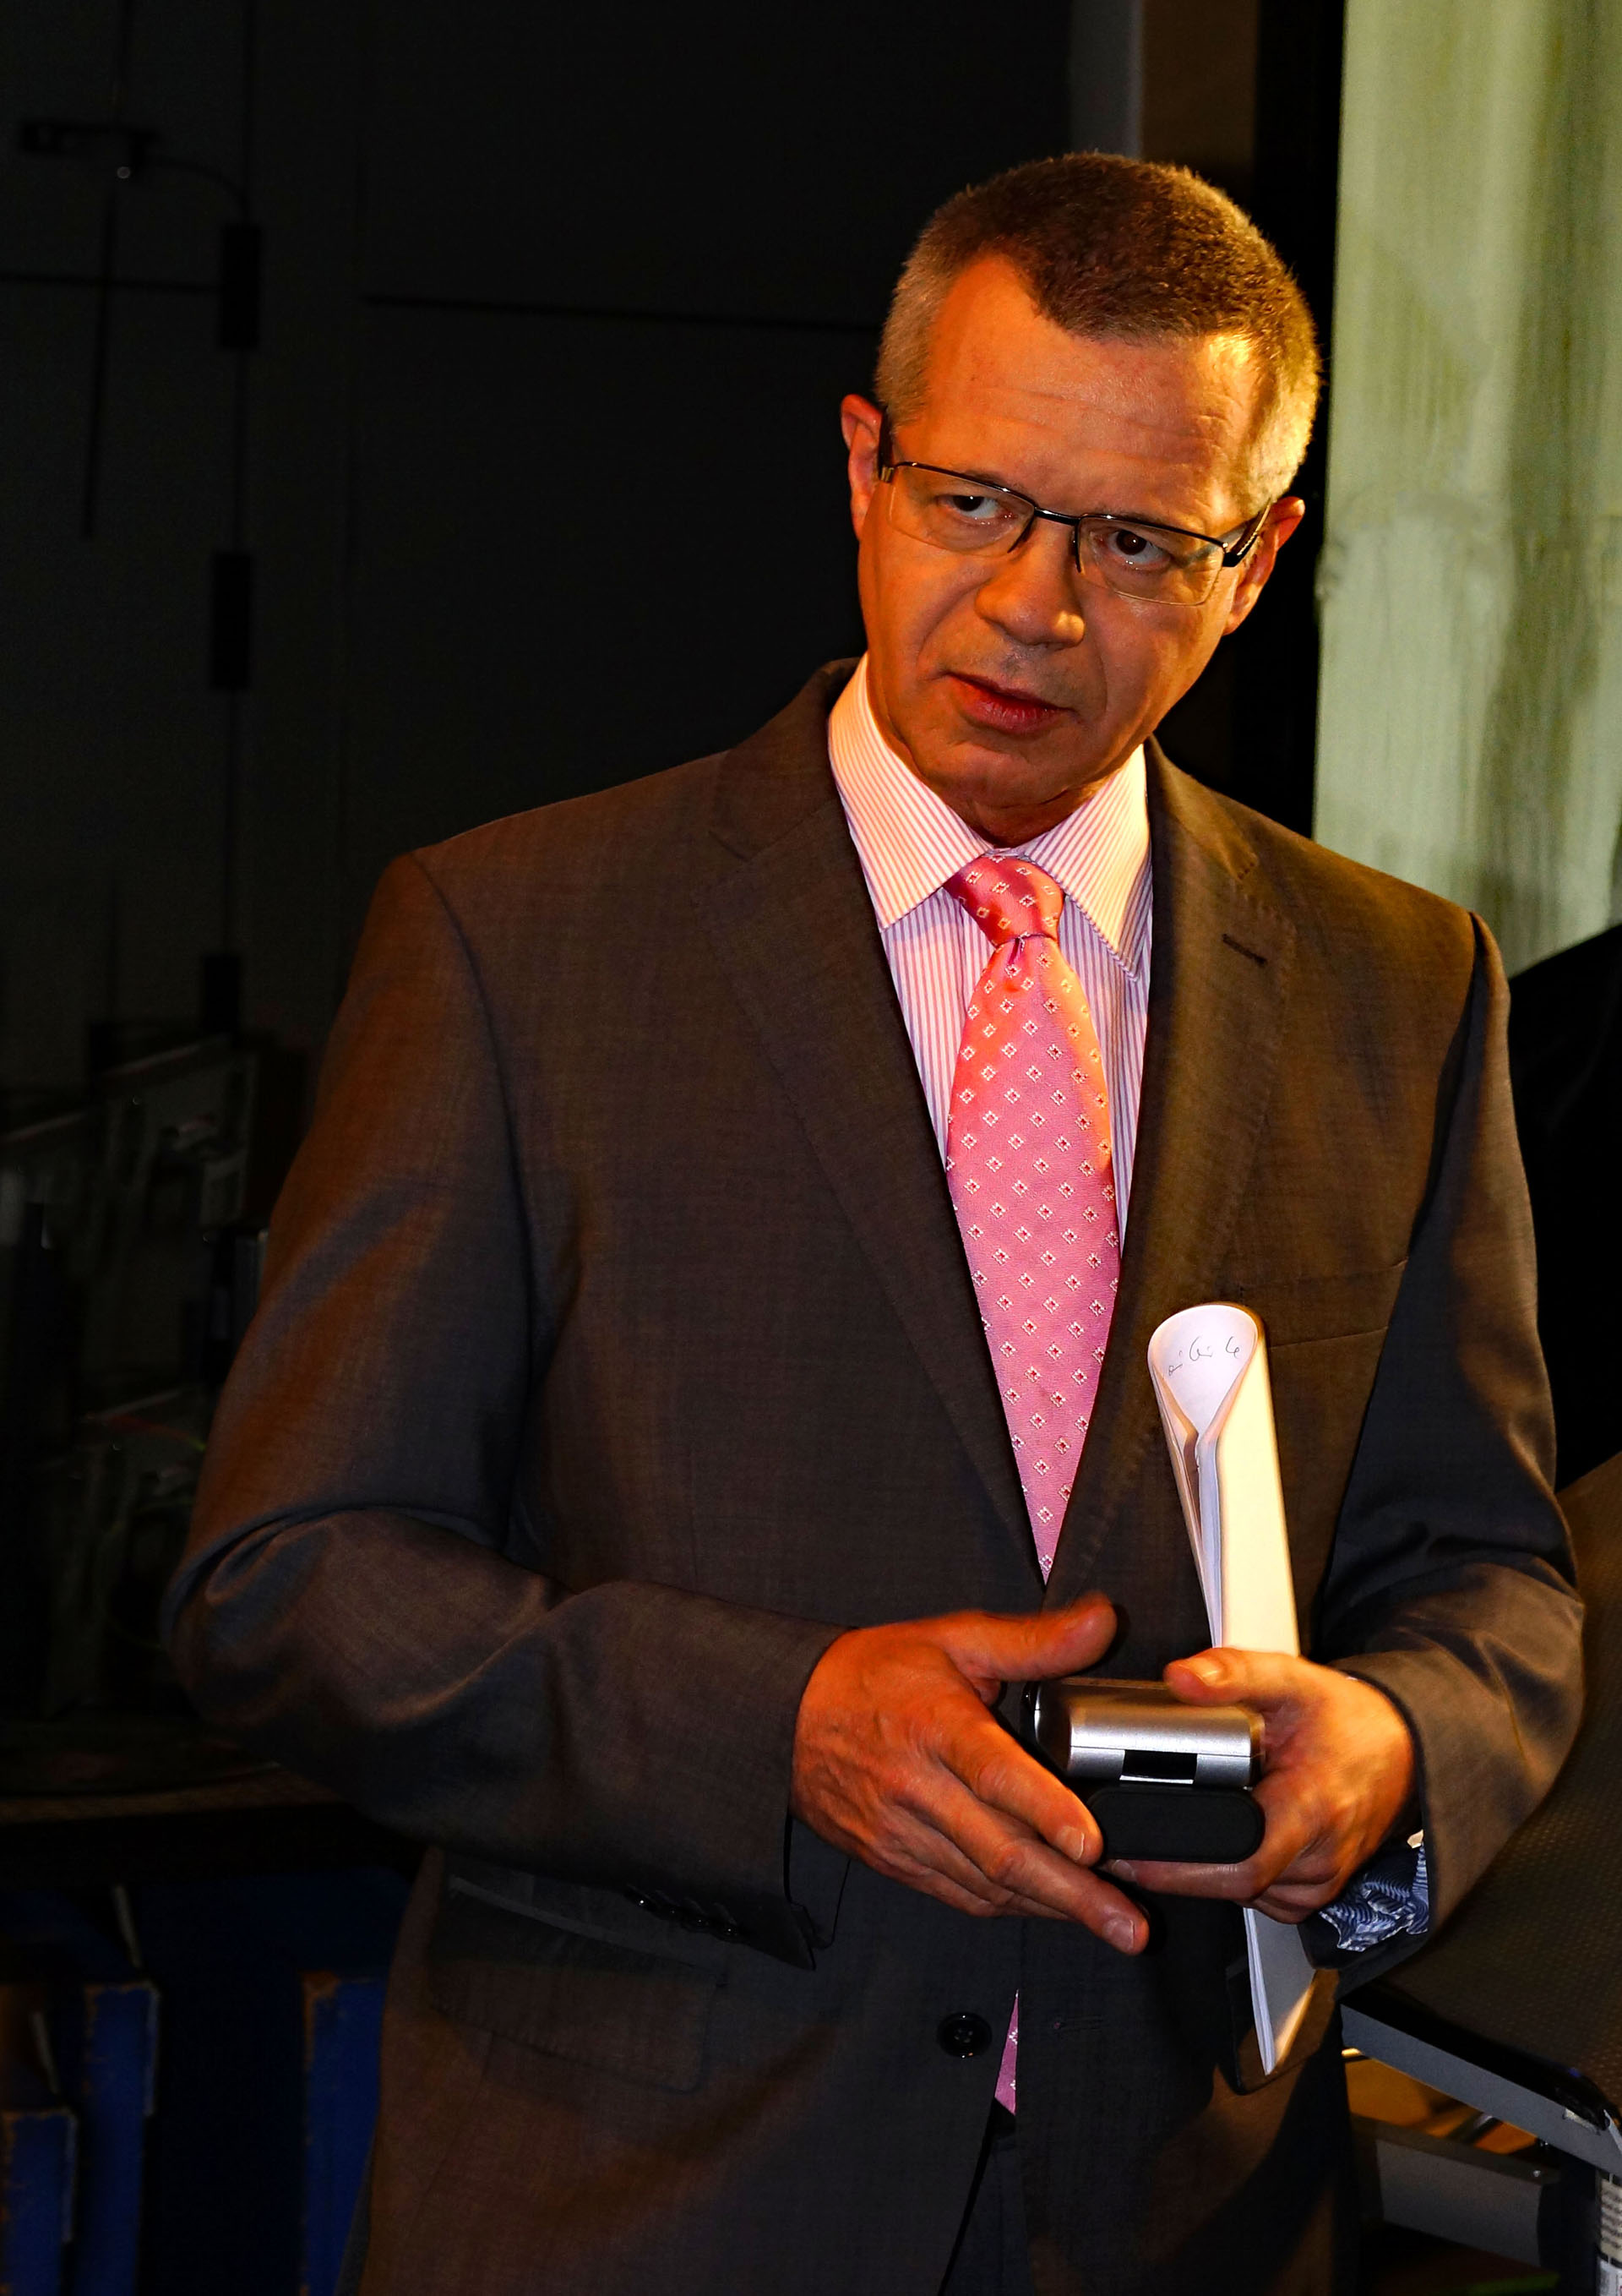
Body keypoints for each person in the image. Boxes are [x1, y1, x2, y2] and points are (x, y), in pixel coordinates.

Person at [166, 155, 1582, 2295]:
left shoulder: (1402, 985)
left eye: (1135, 541)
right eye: (975, 501)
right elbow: (285, 1585)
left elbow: (1494, 1583)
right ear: (862, 465)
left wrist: (1397, 1750)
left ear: (1260, 562)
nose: (1035, 607)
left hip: (1187, 2219)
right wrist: (779, 1729)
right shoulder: (517, 941)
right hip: (640, 2211)